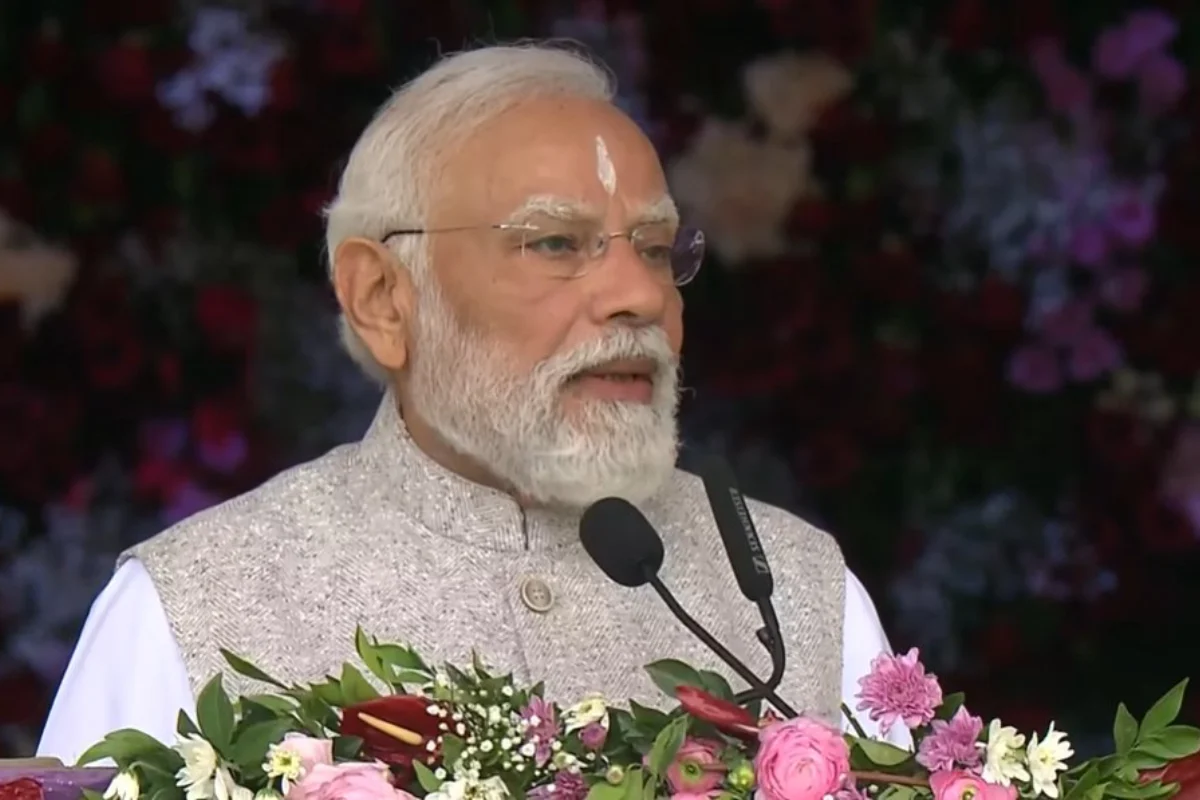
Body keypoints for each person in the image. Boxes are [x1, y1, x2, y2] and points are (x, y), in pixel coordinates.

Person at [38, 43, 903, 764]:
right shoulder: (195, 604)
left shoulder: (794, 591)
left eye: (654, 248)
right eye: (557, 242)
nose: (638, 293)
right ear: (382, 297)